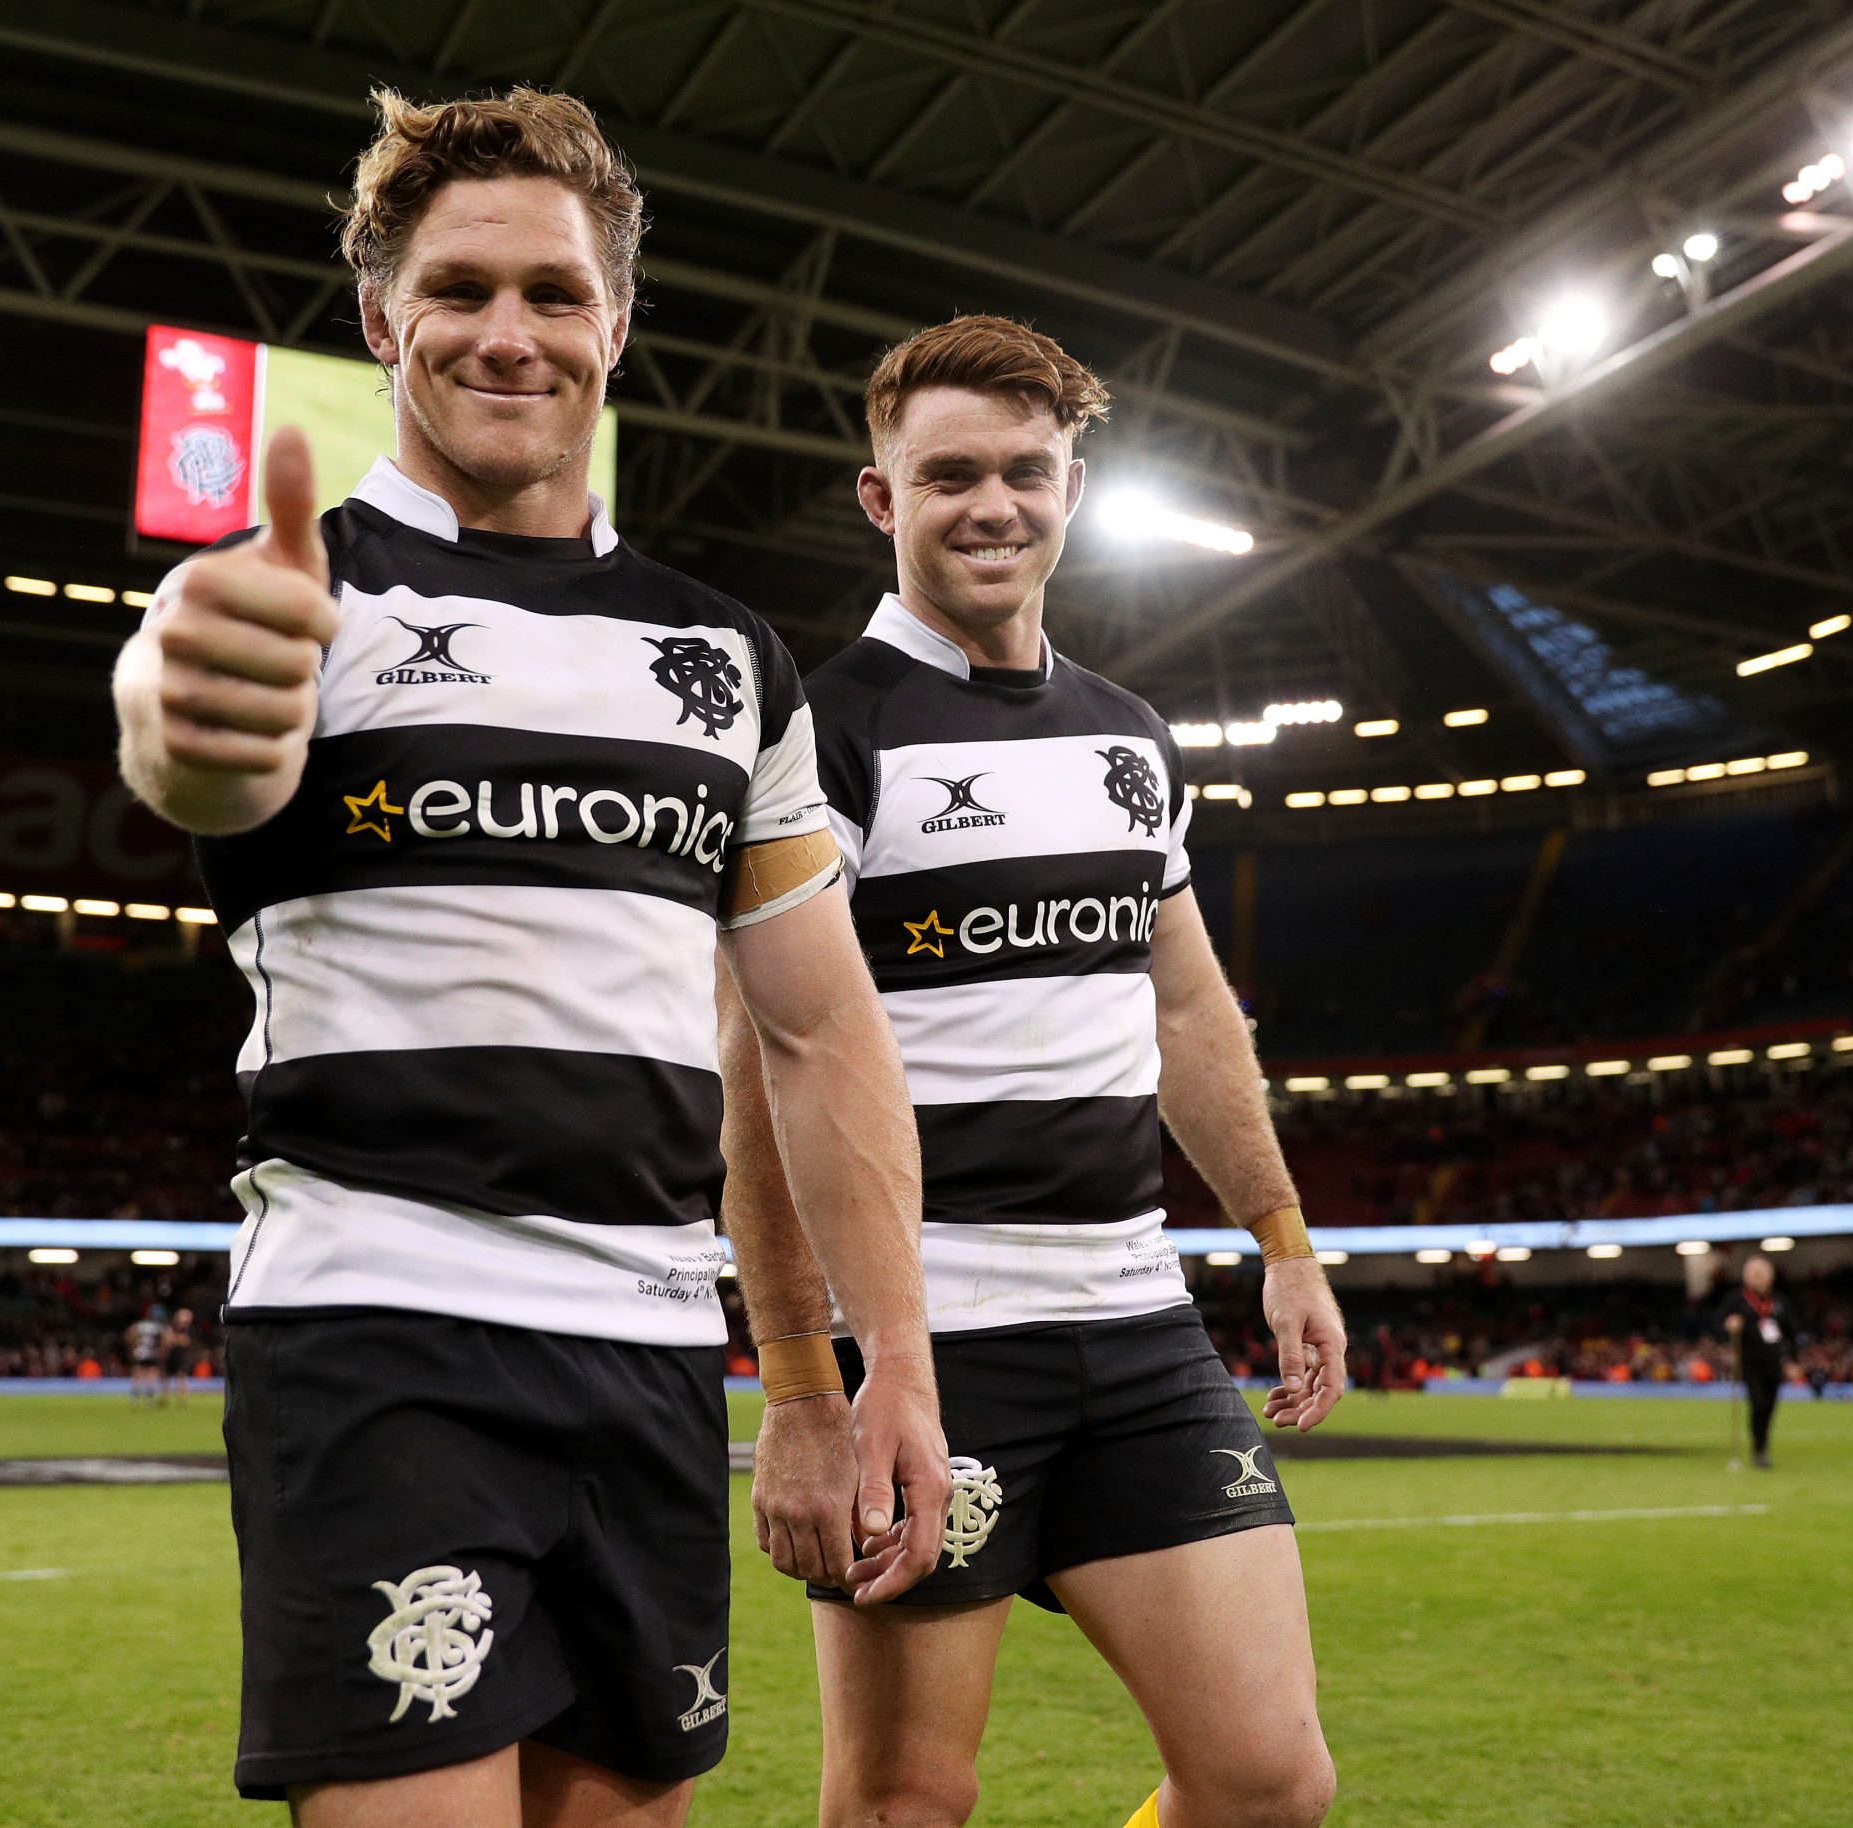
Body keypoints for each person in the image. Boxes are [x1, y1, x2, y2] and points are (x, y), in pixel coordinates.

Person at [110, 86, 948, 1827]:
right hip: (379, 1335)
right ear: (380, 320)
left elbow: (819, 1036)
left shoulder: (728, 660)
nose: (510, 332)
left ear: (616, 323)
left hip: (651, 1354)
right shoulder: (285, 600)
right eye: (460, 289)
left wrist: (880, 1372)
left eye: (555, 292)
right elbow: (195, 741)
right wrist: (184, 709)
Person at [720, 316, 1345, 1828]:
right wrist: (803, 1379)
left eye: (1023, 470)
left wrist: (1281, 1240)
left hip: (1137, 1326)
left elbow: (1188, 1011)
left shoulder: (1129, 737)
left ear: (1073, 488)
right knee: (904, 1805)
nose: (990, 504)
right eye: (949, 476)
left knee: (1268, 1784)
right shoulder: (822, 738)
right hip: (930, 1344)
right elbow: (760, 1074)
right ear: (883, 498)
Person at [1720, 1254, 1799, 1469]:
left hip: (1774, 1362)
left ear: (1770, 1276)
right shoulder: (1736, 1300)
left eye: (1761, 1273)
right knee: (1758, 1403)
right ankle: (1759, 1450)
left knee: (1769, 1407)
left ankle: (1762, 1446)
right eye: (1753, 1274)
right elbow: (1719, 1323)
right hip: (1749, 1362)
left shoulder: (1780, 1302)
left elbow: (1791, 1333)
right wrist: (1729, 1325)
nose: (1757, 1278)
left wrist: (1793, 1360)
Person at [127, 1305, 167, 1405]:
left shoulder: (140, 1325)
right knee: (152, 1374)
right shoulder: (158, 1327)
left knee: (137, 1374)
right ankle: (150, 1398)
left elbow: (130, 1335)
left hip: (140, 1352)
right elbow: (164, 1339)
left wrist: (133, 1347)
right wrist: (161, 1350)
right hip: (152, 1352)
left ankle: (135, 1398)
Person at [164, 1307, 199, 1404]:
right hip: (171, 1354)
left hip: (182, 1355)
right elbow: (167, 1340)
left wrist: (175, 1340)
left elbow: (186, 1341)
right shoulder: (172, 1327)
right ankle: (165, 1397)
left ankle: (181, 1398)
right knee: (166, 1376)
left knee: (181, 1375)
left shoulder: (190, 1329)